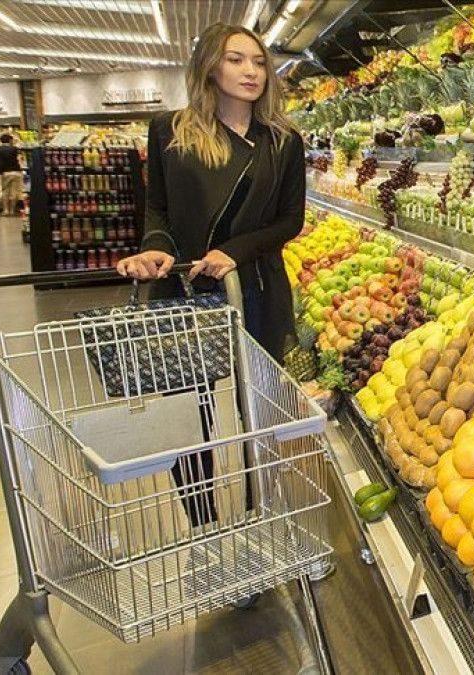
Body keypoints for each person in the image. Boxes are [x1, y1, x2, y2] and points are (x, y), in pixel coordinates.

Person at [115, 23, 305, 531]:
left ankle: (263, 511)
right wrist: (155, 249)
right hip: (183, 288)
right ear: (209, 67)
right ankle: (203, 523)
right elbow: (157, 209)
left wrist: (233, 252)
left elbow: (290, 221)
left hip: (256, 286)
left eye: (259, 62)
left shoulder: (282, 140)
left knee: (259, 406)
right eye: (235, 59)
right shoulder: (170, 131)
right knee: (188, 414)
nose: (251, 71)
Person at [0, 133, 24, 216]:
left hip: (4, 173)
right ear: (10, 140)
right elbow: (20, 159)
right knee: (15, 191)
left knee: (5, 191)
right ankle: (12, 210)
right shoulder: (15, 149)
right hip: (16, 172)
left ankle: (6, 210)